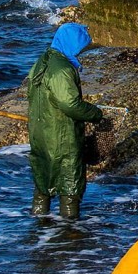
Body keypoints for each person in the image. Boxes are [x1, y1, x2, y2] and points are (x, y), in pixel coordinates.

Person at [27, 23, 104, 219]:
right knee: (70, 185)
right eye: (80, 47)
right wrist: (95, 113)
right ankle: (70, 236)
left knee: (42, 183)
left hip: (40, 133)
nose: (81, 53)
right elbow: (69, 104)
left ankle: (38, 229)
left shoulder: (42, 61)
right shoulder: (62, 69)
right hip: (62, 135)